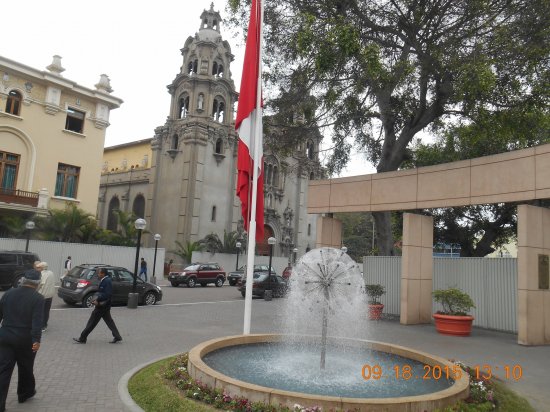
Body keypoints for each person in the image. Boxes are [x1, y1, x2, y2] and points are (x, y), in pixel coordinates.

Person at [0, 269, 44, 411]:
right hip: (25, 339)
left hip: (5, 336)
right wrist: (36, 340)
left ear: (23, 280)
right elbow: (37, 322)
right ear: (38, 283)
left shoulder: (8, 293)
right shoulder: (38, 298)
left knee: (4, 371)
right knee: (25, 367)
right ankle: (24, 394)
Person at [73, 268, 122, 344]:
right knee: (109, 322)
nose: (98, 274)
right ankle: (117, 336)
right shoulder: (104, 280)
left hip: (102, 306)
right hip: (105, 306)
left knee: (92, 322)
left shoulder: (107, 281)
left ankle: (82, 338)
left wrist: (98, 298)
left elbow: (107, 294)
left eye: (99, 273)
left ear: (103, 274)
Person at [36, 262, 55, 332]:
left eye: (39, 267)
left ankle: (41, 326)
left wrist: (35, 291)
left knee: (40, 311)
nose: (37, 268)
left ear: (42, 268)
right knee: (46, 311)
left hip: (42, 295)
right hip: (50, 295)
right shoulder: (51, 273)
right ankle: (44, 325)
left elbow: (40, 285)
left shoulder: (42, 274)